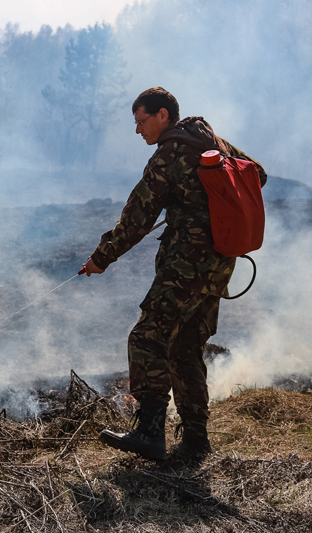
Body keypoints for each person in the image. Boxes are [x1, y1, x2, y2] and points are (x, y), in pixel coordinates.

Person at [82, 87, 267, 461]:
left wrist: (101, 258)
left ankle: (150, 432)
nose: (138, 130)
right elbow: (258, 174)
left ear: (162, 115)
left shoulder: (169, 154)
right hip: (221, 261)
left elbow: (137, 218)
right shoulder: (213, 141)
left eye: (141, 121)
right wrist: (210, 201)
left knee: (147, 337)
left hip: (187, 262)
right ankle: (196, 442)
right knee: (185, 347)